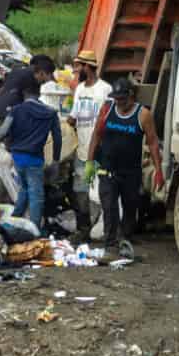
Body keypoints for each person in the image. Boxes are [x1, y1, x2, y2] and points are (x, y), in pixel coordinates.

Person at [87, 78, 165, 258]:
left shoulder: (143, 114)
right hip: (107, 170)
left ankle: (125, 239)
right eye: (116, 99)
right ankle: (110, 245)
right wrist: (90, 162)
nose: (119, 103)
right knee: (109, 207)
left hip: (131, 172)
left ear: (131, 96)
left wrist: (158, 171)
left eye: (122, 99)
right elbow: (96, 135)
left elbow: (153, 143)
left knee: (130, 208)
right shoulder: (107, 109)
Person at [0, 90, 63, 228]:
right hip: (35, 159)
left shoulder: (16, 110)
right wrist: (56, 160)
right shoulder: (50, 113)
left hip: (18, 158)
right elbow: (57, 138)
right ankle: (34, 228)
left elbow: (3, 131)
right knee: (36, 194)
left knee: (24, 187)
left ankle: (16, 216)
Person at [69, 51, 113, 239]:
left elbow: (110, 118)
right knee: (81, 190)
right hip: (82, 150)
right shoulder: (79, 89)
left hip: (99, 151)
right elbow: (74, 116)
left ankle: (104, 227)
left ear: (88, 67)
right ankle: (84, 228)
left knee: (100, 191)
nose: (76, 70)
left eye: (79, 66)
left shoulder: (105, 89)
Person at [0, 55, 55, 122]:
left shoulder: (18, 71)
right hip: (11, 115)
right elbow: (32, 103)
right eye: (49, 75)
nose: (45, 82)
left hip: (1, 110)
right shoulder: (32, 77)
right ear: (42, 71)